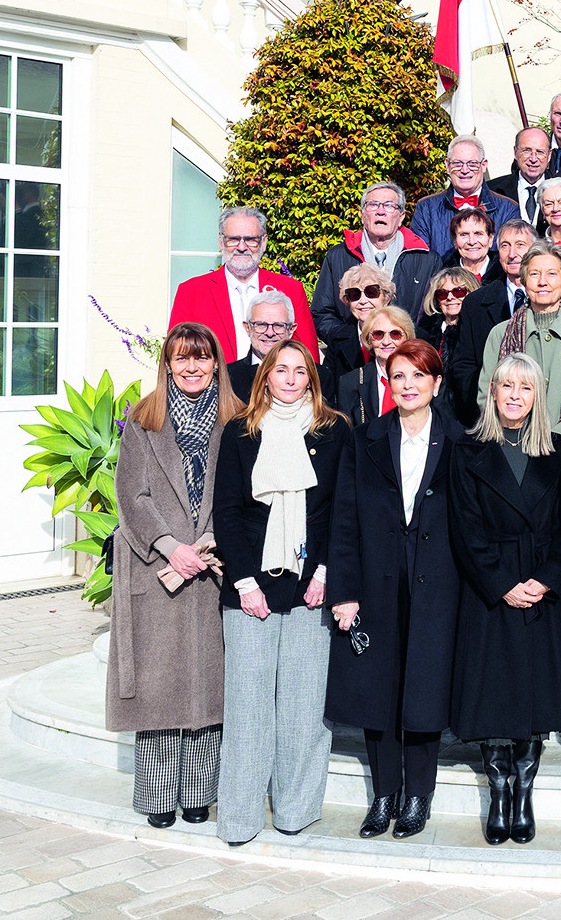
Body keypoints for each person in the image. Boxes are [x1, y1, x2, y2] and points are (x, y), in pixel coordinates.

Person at [212, 340, 350, 846]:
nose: (290, 379)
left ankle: (295, 810)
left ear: (311, 378)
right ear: (265, 376)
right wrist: (244, 582)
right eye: (281, 370)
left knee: (303, 708)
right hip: (251, 586)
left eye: (300, 371)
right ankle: (240, 818)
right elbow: (227, 512)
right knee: (247, 709)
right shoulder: (240, 432)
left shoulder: (334, 430)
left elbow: (342, 510)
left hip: (312, 585)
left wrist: (325, 573)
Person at [107, 323, 242, 830]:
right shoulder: (144, 420)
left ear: (215, 364)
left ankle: (199, 794)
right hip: (157, 568)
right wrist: (171, 546)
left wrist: (207, 542)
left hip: (212, 567)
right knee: (159, 689)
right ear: (167, 364)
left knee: (208, 687)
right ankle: (159, 796)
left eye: (201, 357)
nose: (192, 367)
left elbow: (243, 493)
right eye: (182, 358)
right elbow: (131, 496)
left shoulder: (237, 420)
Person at [326, 339, 461, 840]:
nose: (408, 385)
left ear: (436, 384)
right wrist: (344, 591)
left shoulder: (459, 440)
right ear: (388, 381)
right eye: (399, 376)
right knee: (377, 691)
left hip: (437, 585)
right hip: (376, 582)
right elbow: (343, 519)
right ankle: (384, 795)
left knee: (424, 691)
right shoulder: (364, 439)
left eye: (418, 376)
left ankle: (417, 796)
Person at [449, 353, 561, 846]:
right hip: (490, 592)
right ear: (493, 392)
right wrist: (502, 583)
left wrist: (545, 579)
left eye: (526, 387)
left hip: (540, 589)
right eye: (507, 386)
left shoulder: (559, 450)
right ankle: (498, 793)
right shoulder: (467, 449)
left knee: (532, 698)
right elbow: (464, 527)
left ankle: (523, 795)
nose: (515, 396)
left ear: (538, 395)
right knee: (493, 697)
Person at [478, 243, 561, 435]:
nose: (542, 282)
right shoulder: (500, 333)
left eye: (552, 274)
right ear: (524, 281)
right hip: (512, 441)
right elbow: (487, 395)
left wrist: (559, 436)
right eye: (534, 274)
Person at [310, 182, 439, 368]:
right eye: (373, 205)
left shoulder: (427, 259)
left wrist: (408, 344)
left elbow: (434, 316)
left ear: (401, 217)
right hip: (351, 362)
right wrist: (350, 341)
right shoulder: (338, 256)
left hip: (410, 361)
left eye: (389, 206)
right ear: (362, 215)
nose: (380, 211)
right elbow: (321, 312)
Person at [170, 207, 318, 363]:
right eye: (233, 239)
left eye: (251, 239)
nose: (241, 247)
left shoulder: (291, 289)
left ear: (264, 242)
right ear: (221, 241)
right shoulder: (191, 292)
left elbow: (308, 357)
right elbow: (177, 354)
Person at [448, 218, 537, 424]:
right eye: (505, 246)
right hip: (488, 416)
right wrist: (484, 407)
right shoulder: (475, 303)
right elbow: (463, 364)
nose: (512, 254)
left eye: (520, 245)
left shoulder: (555, 300)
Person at [410, 135, 522, 262]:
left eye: (472, 163)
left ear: (484, 165)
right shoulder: (426, 208)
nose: (464, 170)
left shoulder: (508, 209)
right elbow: (420, 262)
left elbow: (512, 259)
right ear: (447, 165)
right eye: (457, 163)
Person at [321, 263, 396, 404]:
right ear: (347, 301)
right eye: (355, 295)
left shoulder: (405, 335)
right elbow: (328, 392)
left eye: (371, 292)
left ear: (385, 297)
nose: (363, 301)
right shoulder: (338, 340)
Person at [337, 306, 415, 429]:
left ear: (407, 337)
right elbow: (347, 433)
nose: (386, 342)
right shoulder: (350, 383)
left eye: (395, 334)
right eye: (378, 334)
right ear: (369, 339)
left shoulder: (424, 378)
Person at [227, 288, 296, 401]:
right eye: (261, 325)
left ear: (291, 330)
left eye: (278, 325)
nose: (270, 333)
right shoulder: (226, 378)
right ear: (247, 328)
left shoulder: (317, 377)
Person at [418, 265, 481, 374]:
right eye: (442, 294)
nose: (450, 297)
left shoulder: (479, 332)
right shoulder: (425, 336)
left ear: (472, 294)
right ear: (437, 301)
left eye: (458, 291)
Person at [490, 127, 553, 226]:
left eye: (540, 152)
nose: (533, 159)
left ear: (549, 155)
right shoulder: (493, 190)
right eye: (527, 151)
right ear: (515, 152)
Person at [449, 207, 500, 282]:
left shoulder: (505, 276)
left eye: (478, 234)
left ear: (490, 239)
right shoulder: (444, 280)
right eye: (464, 234)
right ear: (455, 241)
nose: (472, 242)